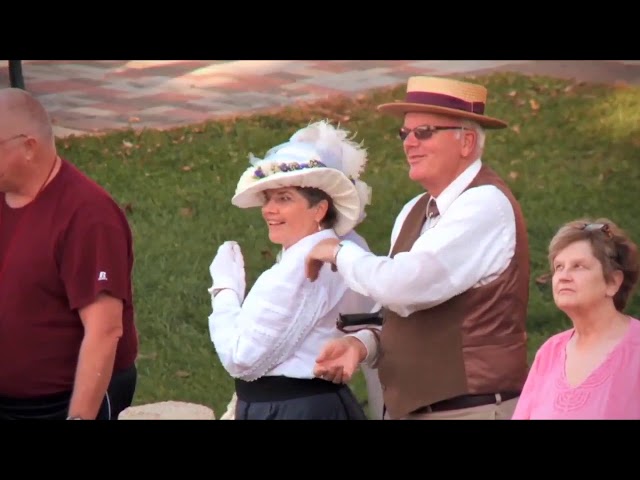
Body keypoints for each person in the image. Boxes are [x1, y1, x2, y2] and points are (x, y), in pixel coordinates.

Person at [305, 75, 531, 420]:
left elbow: (405, 284)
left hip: (472, 409)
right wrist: (361, 345)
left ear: (467, 141)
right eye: (404, 133)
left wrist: (337, 251)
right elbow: (398, 311)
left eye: (424, 131)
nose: (409, 143)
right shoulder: (415, 208)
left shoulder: (485, 204)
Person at [207, 120, 375, 420]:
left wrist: (224, 291)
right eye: (268, 198)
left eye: (284, 198)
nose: (269, 209)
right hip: (315, 405)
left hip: (290, 410)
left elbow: (241, 358)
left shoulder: (300, 268)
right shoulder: (346, 250)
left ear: (320, 209)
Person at [0, 88, 138, 420]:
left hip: (59, 404)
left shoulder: (88, 216)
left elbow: (105, 330)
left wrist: (78, 416)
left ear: (29, 147)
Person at [512, 219, 640, 420]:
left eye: (578, 266)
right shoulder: (549, 352)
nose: (563, 276)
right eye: (559, 267)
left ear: (613, 281)